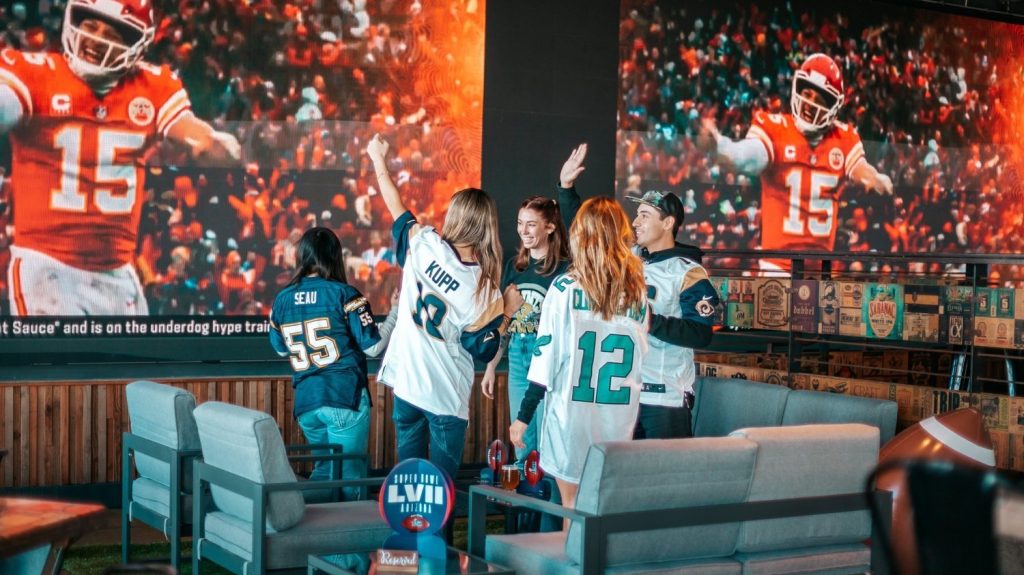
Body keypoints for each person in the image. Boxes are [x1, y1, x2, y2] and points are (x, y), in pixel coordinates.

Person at [0, 0, 240, 315]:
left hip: (118, 274)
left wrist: (211, 143)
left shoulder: (154, 85)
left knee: (133, 364)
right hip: (47, 267)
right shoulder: (33, 72)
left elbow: (191, 130)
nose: (96, 38)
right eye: (91, 25)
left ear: (136, 43)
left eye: (112, 32)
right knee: (68, 363)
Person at [367, 133, 518, 480]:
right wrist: (507, 310)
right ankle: (438, 537)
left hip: (406, 385)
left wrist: (378, 159)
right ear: (486, 227)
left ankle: (408, 535)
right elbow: (483, 347)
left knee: (409, 482)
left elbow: (394, 203)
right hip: (445, 395)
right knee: (441, 488)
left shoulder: (424, 242)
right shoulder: (483, 287)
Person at [510, 196, 649, 513]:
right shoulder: (638, 291)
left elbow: (545, 363)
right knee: (604, 509)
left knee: (571, 511)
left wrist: (523, 417)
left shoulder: (564, 289)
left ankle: (572, 564)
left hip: (571, 418)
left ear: (581, 235)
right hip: (618, 418)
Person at [699, 53, 892, 273]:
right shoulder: (775, 127)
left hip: (819, 270)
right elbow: (747, 156)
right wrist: (721, 147)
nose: (810, 103)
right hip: (776, 267)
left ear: (834, 105)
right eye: (807, 93)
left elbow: (859, 168)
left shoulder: (844, 137)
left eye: (820, 99)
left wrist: (873, 178)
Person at [269, 226, 397, 501]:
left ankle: (313, 539)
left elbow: (281, 350)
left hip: (307, 402)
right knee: (351, 479)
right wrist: (395, 313)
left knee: (324, 471)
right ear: (335, 256)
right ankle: (349, 544)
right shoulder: (345, 294)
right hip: (342, 395)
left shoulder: (281, 298)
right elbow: (373, 346)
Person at [481, 143, 586, 463]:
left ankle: (545, 507)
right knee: (522, 439)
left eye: (531, 224)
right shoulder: (515, 267)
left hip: (553, 362)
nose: (523, 231)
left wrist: (565, 188)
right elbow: (506, 321)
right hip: (518, 359)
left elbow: (582, 232)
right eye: (519, 223)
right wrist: (489, 366)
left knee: (547, 440)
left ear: (550, 227)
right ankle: (523, 509)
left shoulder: (567, 267)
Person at [629, 190, 719, 438]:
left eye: (644, 216)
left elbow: (700, 334)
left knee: (666, 474)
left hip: (665, 397)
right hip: (625, 394)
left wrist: (651, 321)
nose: (635, 222)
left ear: (668, 223)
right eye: (637, 215)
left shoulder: (688, 272)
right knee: (624, 474)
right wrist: (567, 189)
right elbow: (589, 242)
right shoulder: (629, 261)